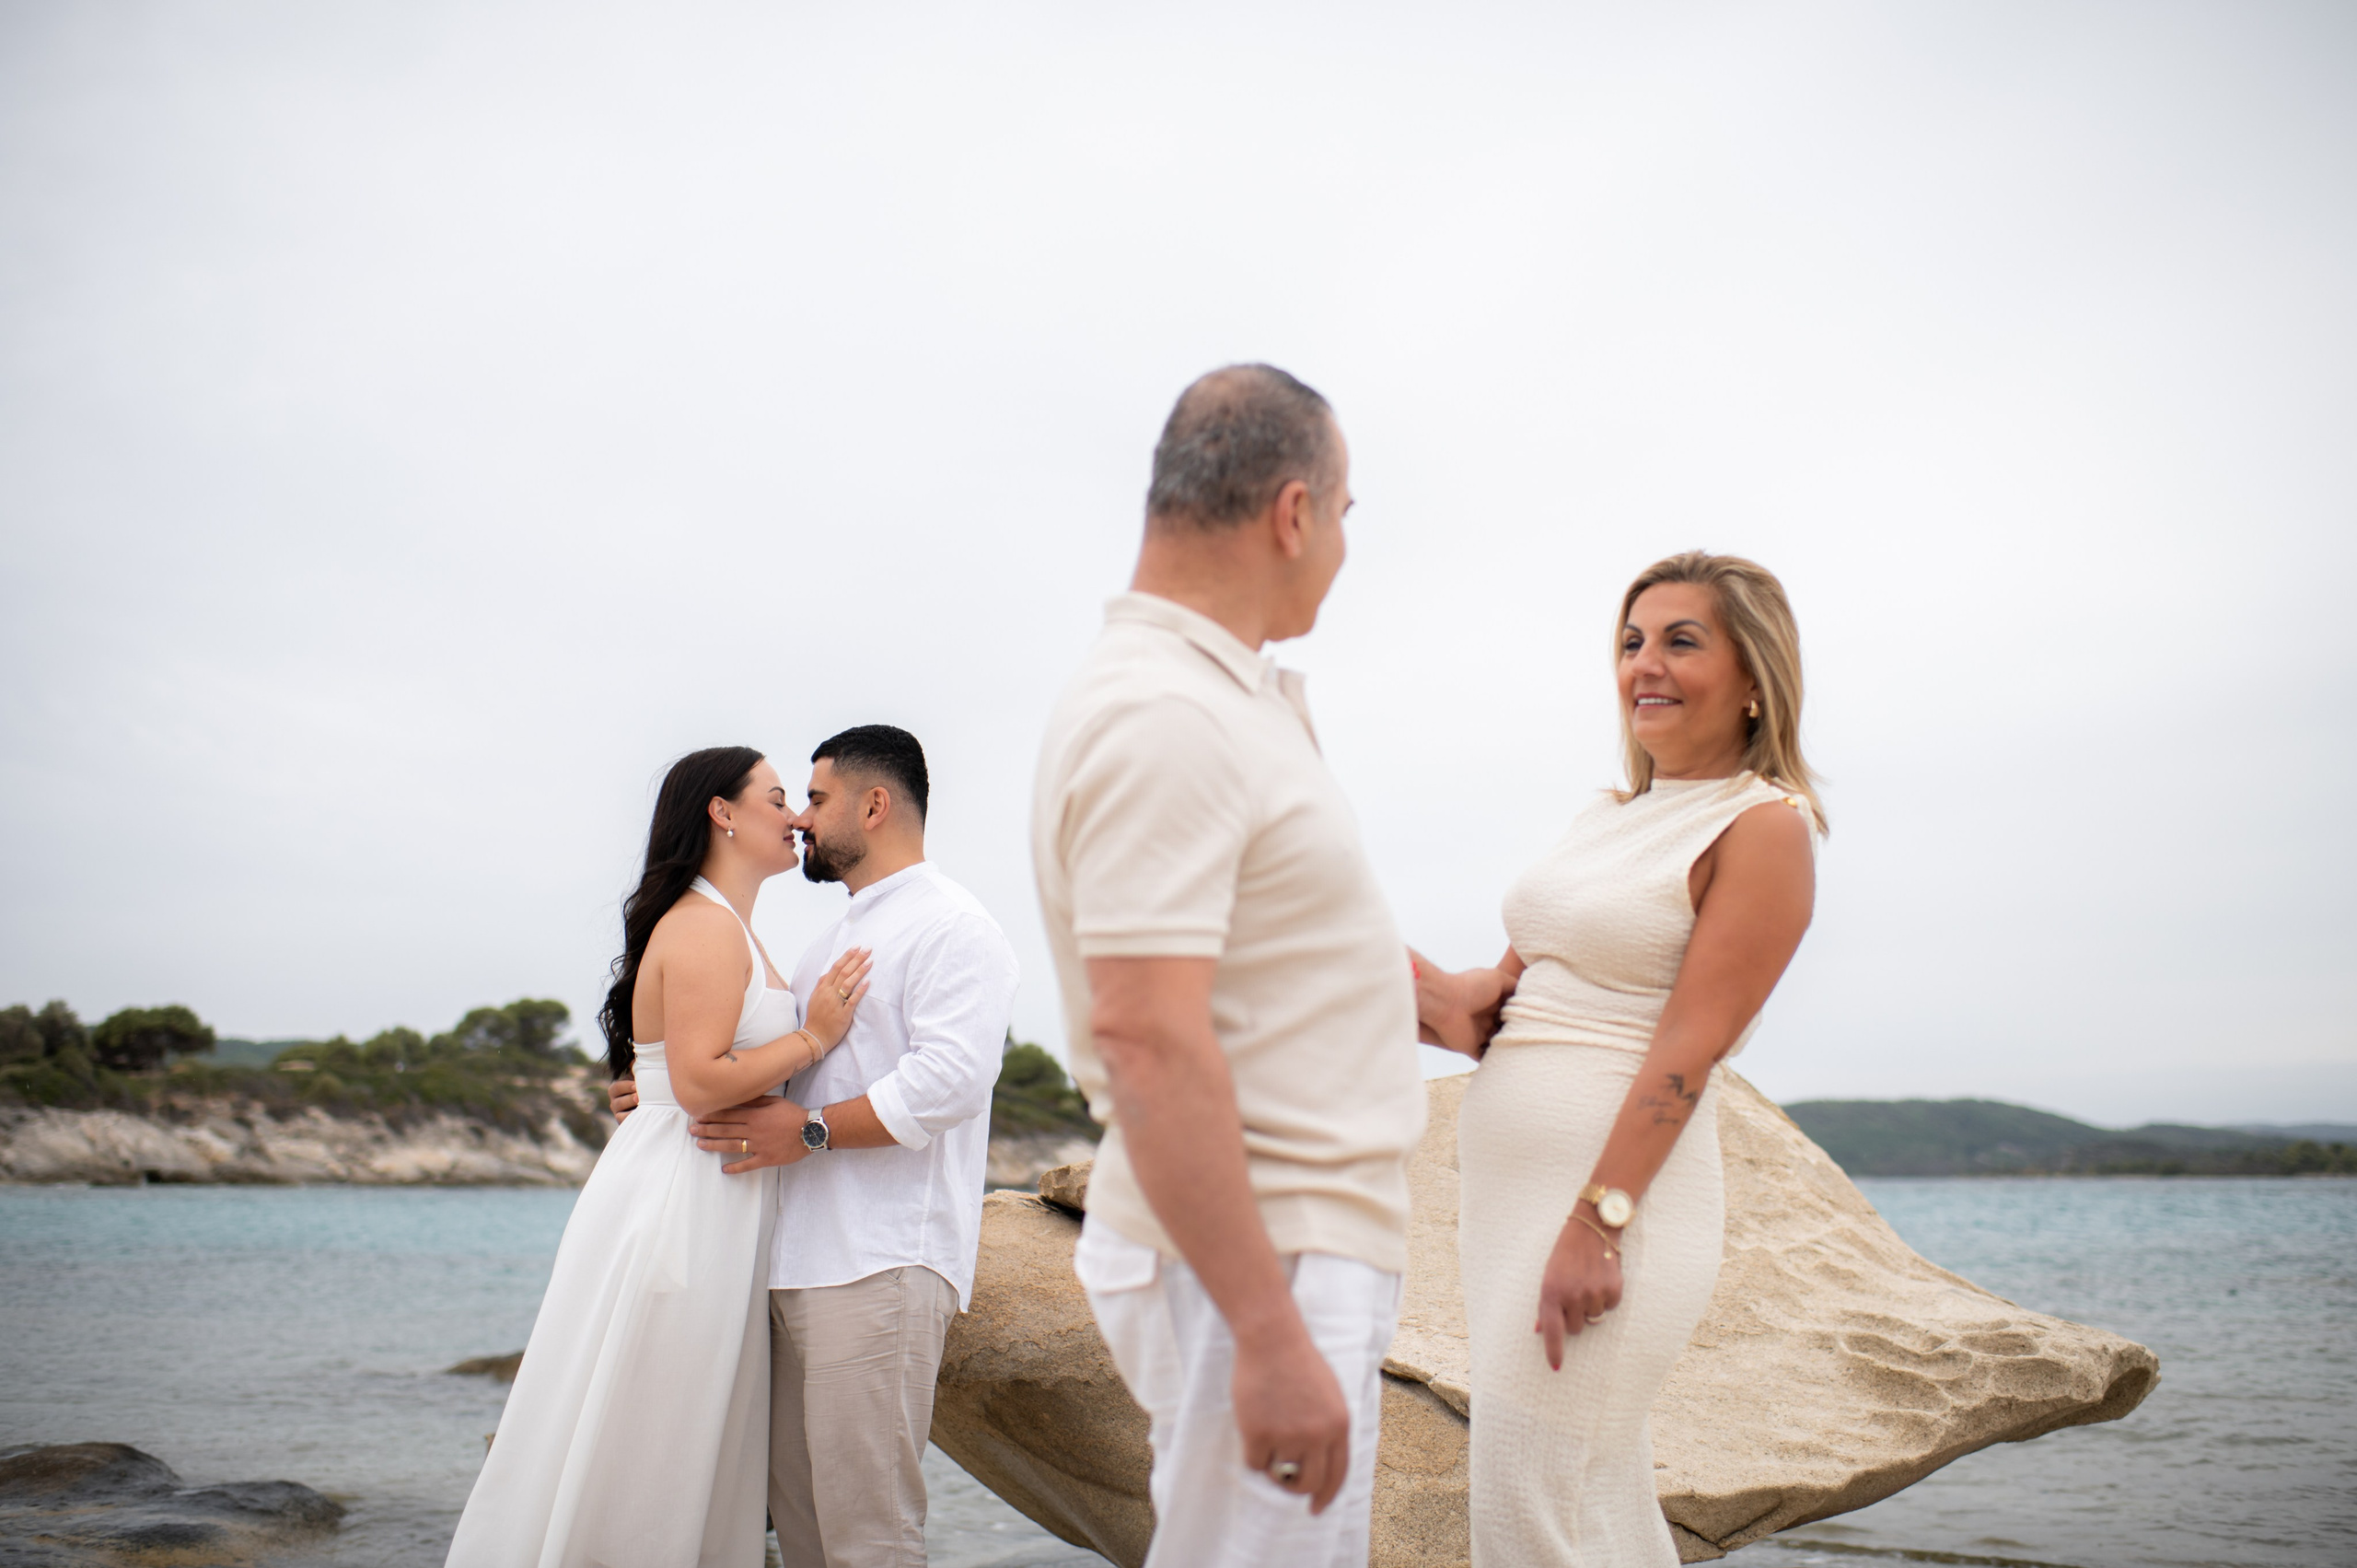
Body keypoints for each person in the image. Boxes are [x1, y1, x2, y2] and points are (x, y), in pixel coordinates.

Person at [1030, 366, 1427, 1567]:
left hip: (1285, 1238)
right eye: (1346, 512)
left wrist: (1443, 998)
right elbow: (1145, 1036)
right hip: (1258, 1247)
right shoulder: (1168, 713)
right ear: (1293, 512)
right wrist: (1266, 1332)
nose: (1345, 545)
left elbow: (1257, 938)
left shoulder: (1212, 697)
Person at [1413, 552, 1822, 1566]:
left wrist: (1600, 1221)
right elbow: (1500, 1000)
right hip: (1510, 1209)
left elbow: (1691, 1042)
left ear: (1754, 677)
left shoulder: (1762, 827)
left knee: (1527, 1509)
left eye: (1682, 640)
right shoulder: (1606, 818)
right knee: (1594, 1509)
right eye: (1632, 641)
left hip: (1613, 1211)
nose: (1645, 663)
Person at [447, 746, 872, 1568]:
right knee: (655, 1440)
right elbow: (700, 1081)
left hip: (703, 1191)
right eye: (777, 798)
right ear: (722, 812)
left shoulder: (724, 924)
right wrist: (815, 1035)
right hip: (686, 1205)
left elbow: (676, 1073)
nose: (795, 817)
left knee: (673, 1436)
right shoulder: (705, 923)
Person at [612, 725, 1019, 1568]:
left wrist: (812, 1131)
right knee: (803, 1534)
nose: (800, 817)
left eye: (817, 798)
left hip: (879, 1261)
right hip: (788, 1263)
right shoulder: (827, 943)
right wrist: (660, 1096)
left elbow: (949, 1081)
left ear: (873, 807)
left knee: (868, 1536)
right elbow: (779, 1077)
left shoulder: (953, 926)